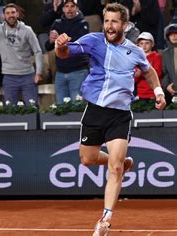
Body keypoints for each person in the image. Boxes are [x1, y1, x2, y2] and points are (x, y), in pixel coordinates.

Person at [54, 3, 166, 235]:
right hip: (95, 111)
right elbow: (64, 54)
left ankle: (105, 219)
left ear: (124, 25)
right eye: (106, 21)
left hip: (120, 114)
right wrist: (60, 46)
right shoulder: (93, 40)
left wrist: (158, 92)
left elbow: (148, 71)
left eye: (114, 22)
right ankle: (122, 162)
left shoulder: (134, 51)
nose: (109, 26)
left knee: (114, 168)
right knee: (87, 159)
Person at [44, 0, 89, 104]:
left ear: (77, 8)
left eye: (72, 6)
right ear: (63, 9)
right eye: (66, 6)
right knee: (61, 109)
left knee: (77, 109)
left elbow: (80, 45)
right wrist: (51, 41)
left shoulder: (83, 24)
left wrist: (63, 40)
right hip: (60, 72)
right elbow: (48, 46)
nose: (69, 9)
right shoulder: (57, 23)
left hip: (78, 71)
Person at [134, 32, 162, 99]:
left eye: (147, 43)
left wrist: (141, 73)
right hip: (140, 93)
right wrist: (137, 75)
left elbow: (158, 73)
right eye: (141, 43)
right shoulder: (136, 58)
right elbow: (134, 77)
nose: (144, 46)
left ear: (152, 44)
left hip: (153, 93)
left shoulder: (156, 56)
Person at [162, 23, 177, 103]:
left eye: (176, 34)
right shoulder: (165, 53)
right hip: (172, 90)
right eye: (171, 35)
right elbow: (165, 73)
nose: (174, 36)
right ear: (168, 37)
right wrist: (167, 86)